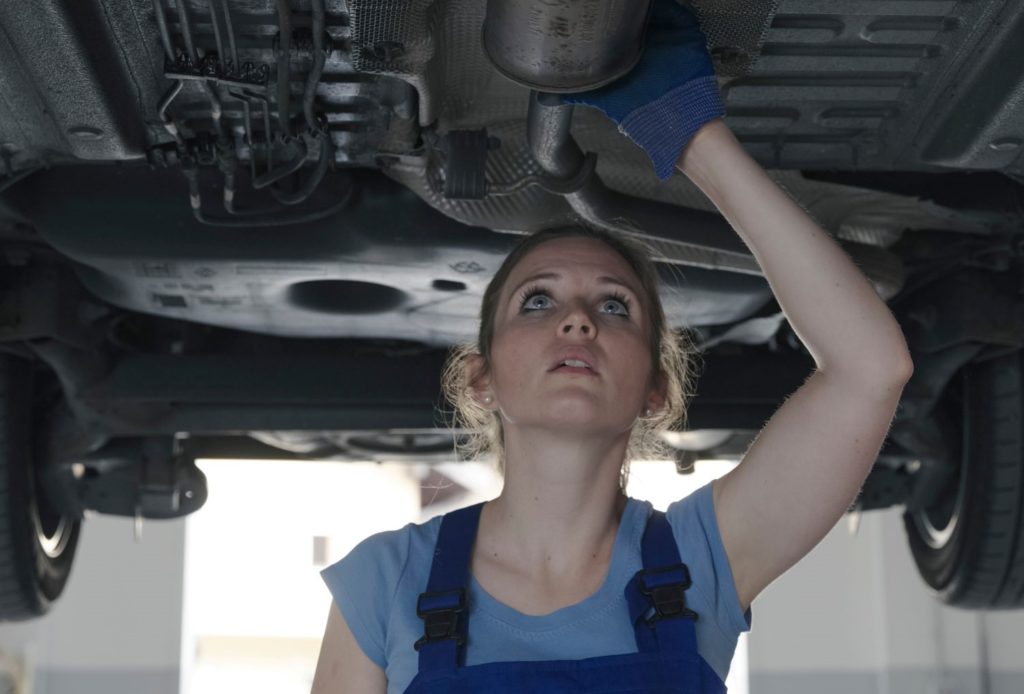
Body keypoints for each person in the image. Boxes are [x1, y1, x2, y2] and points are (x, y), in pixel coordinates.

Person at [312, 0, 914, 691]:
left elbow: (871, 368)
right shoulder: (385, 583)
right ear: (482, 379)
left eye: (614, 306)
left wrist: (694, 137)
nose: (578, 322)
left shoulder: (700, 562)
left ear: (655, 389)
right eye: (538, 300)